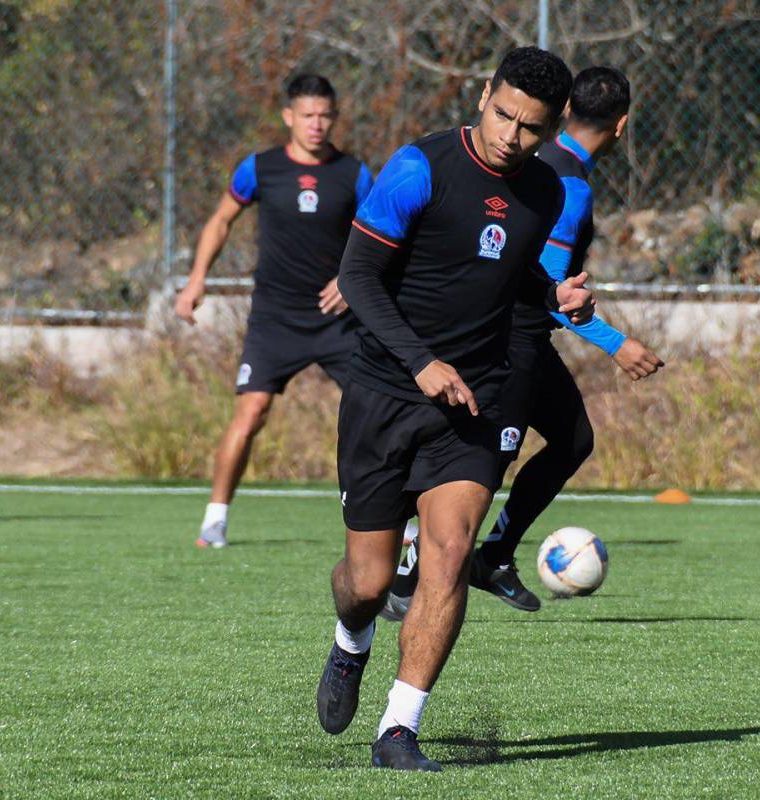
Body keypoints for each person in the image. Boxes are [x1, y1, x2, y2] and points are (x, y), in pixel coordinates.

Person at [315, 47, 592, 771]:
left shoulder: (547, 194)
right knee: (368, 585)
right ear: (482, 97)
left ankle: (399, 730)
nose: (511, 136)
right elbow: (359, 276)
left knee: (449, 553)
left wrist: (553, 297)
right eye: (503, 115)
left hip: (472, 404)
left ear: (550, 128)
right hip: (382, 396)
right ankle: (351, 641)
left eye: (531, 128)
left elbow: (510, 273)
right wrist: (420, 361)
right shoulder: (419, 169)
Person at [383, 66, 664, 617]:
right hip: (514, 340)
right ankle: (407, 569)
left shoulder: (538, 167)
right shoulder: (569, 187)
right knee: (487, 462)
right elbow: (550, 284)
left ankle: (494, 556)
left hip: (517, 336)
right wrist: (616, 344)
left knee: (572, 439)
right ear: (621, 125)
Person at [175, 74, 373, 548]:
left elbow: (377, 238)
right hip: (275, 319)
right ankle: (215, 519)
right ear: (289, 117)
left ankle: (401, 524)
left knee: (378, 412)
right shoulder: (260, 169)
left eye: (325, 115)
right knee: (252, 410)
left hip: (338, 320)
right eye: (307, 115)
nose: (316, 124)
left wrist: (351, 280)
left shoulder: (354, 174)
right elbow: (221, 220)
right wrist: (197, 278)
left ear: (335, 117)